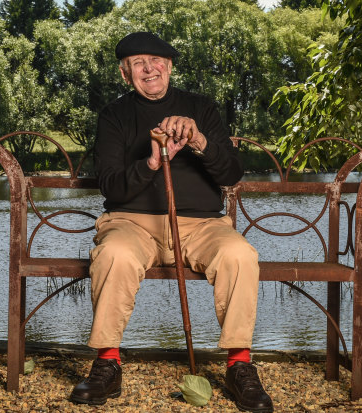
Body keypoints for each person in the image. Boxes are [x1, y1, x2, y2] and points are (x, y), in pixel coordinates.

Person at [69, 31, 274, 413]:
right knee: (113, 253)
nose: (149, 68)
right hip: (132, 223)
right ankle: (107, 362)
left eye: (157, 61)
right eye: (138, 64)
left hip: (201, 226)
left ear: (170, 67)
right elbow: (111, 184)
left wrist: (198, 141)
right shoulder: (114, 115)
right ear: (124, 73)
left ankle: (239, 365)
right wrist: (151, 161)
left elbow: (230, 173)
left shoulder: (203, 108)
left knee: (239, 254)